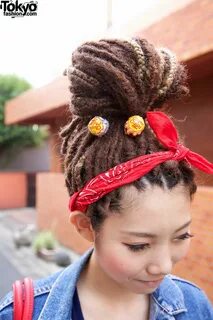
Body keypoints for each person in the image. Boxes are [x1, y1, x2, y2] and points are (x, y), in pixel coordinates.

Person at [0, 37, 213, 320]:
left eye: (181, 235)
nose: (163, 266)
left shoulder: (196, 307)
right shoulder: (22, 312)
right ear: (86, 226)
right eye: (138, 246)